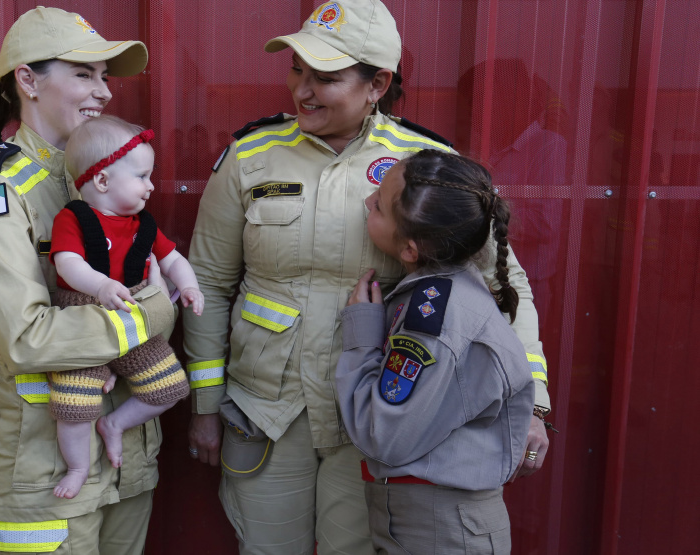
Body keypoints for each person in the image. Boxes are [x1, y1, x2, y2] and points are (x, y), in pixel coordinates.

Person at [182, 1, 552, 553]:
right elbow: (206, 284)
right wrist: (205, 406)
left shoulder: (423, 165)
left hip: (374, 414)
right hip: (266, 409)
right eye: (297, 70)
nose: (302, 91)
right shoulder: (251, 156)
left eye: (326, 78)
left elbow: (503, 284)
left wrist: (535, 402)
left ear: (377, 83)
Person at [0, 7, 173, 554]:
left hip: (126, 452)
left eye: (105, 77)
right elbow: (26, 338)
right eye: (84, 74)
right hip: (44, 470)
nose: (105, 93)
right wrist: (153, 312)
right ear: (27, 79)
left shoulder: (102, 171)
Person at [336, 149, 536, 554]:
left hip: (437, 526)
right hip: (430, 516)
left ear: (411, 250)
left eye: (377, 205)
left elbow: (385, 434)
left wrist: (360, 338)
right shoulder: (446, 290)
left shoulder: (434, 316)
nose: (366, 202)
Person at [49, 115, 201, 498]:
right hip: (83, 317)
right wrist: (101, 285)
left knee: (170, 388)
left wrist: (188, 285)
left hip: (136, 319)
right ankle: (79, 466)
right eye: (142, 177)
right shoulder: (74, 218)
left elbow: (173, 260)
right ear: (102, 181)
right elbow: (67, 263)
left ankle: (114, 424)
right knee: (74, 406)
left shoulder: (142, 226)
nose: (151, 186)